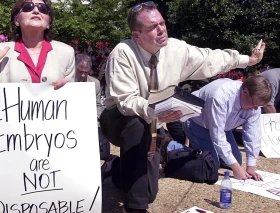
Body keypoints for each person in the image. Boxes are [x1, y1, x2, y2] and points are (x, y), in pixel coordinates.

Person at [99, 2, 265, 212]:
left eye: (162, 23)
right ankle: (136, 208)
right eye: (152, 27)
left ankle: (115, 166)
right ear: (137, 35)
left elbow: (210, 58)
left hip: (154, 121)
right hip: (119, 119)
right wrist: (156, 111)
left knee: (148, 192)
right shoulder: (122, 53)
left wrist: (247, 60)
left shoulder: (176, 49)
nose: (161, 29)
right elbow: (126, 101)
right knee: (137, 127)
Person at [184, 76, 272, 181]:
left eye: (258, 106)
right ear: (245, 92)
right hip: (198, 124)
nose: (255, 109)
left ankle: (209, 152)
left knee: (236, 161)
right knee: (211, 166)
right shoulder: (220, 97)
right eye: (254, 104)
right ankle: (172, 148)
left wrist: (250, 168)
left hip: (224, 128)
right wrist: (236, 169)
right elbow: (217, 136)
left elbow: (253, 134)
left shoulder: (254, 104)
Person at [0, 0, 75, 89]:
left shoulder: (66, 53)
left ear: (49, 23)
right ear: (17, 19)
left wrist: (69, 88)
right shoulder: (2, 51)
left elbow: (71, 95)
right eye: (28, 7)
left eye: (43, 9)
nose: (36, 11)